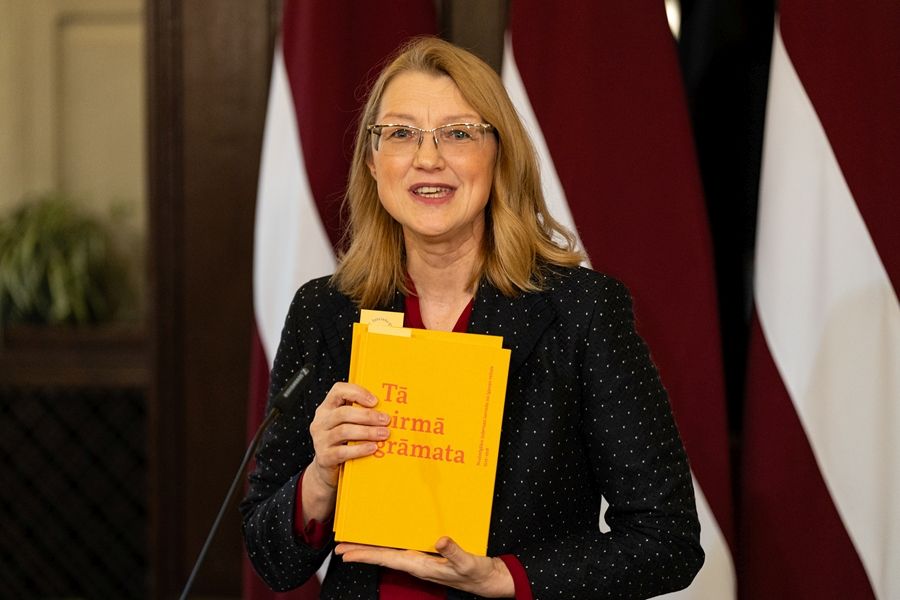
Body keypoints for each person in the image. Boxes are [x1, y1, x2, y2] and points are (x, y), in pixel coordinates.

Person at [240, 36, 703, 599]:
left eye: (458, 133)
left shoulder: (582, 310)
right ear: (372, 161)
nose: (427, 158)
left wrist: (505, 577)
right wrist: (320, 478)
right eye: (401, 134)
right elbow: (271, 558)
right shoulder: (325, 310)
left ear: (500, 156)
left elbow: (668, 541)